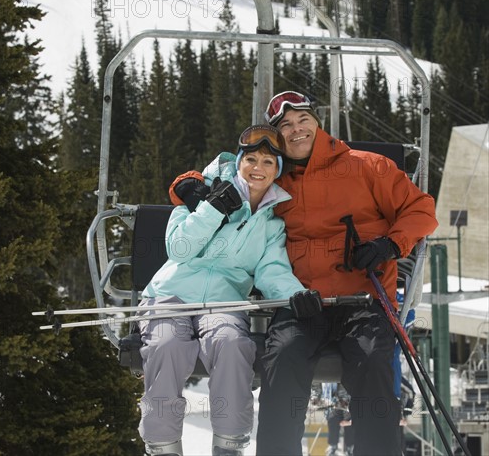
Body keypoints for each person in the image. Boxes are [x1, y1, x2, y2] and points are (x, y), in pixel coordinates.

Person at [169, 91, 438, 455]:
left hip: (362, 298)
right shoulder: (274, 177)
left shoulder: (367, 166)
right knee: (283, 356)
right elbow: (227, 170)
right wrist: (185, 184)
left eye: (303, 121)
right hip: (301, 300)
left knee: (373, 358)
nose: (297, 131)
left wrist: (390, 245)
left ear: (317, 122)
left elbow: (421, 210)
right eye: (286, 126)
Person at [139, 124, 313, 456]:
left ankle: (229, 444)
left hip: (224, 303)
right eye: (251, 159)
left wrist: (294, 294)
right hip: (170, 295)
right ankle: (162, 446)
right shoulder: (198, 197)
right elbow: (179, 248)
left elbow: (271, 270)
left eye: (267, 162)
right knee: (167, 345)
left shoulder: (271, 225)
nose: (257, 169)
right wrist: (212, 208)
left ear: (277, 171)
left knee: (232, 344)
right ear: (238, 163)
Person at [322, 383, 354, 456]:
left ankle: (350, 448)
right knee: (332, 419)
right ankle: (333, 446)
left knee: (349, 420)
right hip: (333, 401)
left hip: (348, 401)